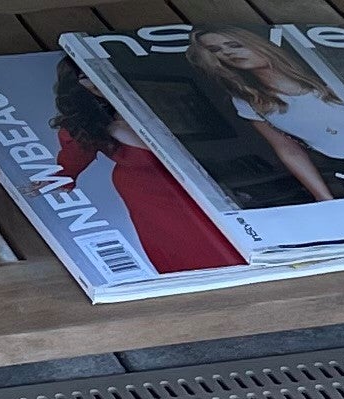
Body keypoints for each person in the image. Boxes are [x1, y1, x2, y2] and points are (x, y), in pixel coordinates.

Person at [183, 26, 344, 232]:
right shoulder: (248, 100)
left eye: (233, 44)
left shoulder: (326, 76)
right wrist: (325, 200)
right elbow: (289, 151)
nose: (227, 53)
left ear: (256, 44)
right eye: (216, 51)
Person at [50, 56, 233, 275]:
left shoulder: (153, 100)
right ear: (77, 84)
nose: (96, 81)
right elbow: (71, 161)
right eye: (85, 77)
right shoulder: (95, 121)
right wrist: (59, 178)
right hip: (146, 194)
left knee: (225, 245)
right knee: (187, 257)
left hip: (193, 188)